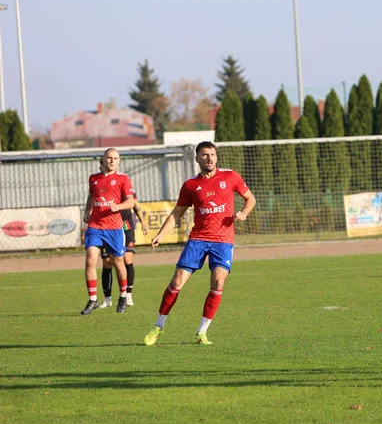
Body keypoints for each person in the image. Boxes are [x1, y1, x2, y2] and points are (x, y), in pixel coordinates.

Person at [143, 141, 255, 346]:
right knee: (176, 282)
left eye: (212, 154)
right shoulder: (190, 185)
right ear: (197, 159)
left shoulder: (230, 176)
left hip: (223, 241)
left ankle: (202, 332)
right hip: (198, 240)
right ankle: (158, 325)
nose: (210, 158)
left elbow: (250, 198)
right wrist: (161, 234)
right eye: (205, 155)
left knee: (218, 283)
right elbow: (177, 213)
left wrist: (244, 213)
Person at [81, 148, 136, 315]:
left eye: (116, 158)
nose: (112, 161)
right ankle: (92, 299)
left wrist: (117, 206)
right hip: (95, 227)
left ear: (118, 161)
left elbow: (131, 202)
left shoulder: (122, 179)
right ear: (103, 160)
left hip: (114, 228)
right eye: (109, 158)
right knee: (91, 261)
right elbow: (91, 196)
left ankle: (123, 296)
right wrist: (87, 211)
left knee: (117, 261)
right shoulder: (94, 179)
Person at [100, 199, 148, 308]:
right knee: (107, 261)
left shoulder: (125, 186)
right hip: (108, 227)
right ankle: (107, 299)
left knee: (127, 258)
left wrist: (143, 222)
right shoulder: (104, 188)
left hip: (125, 226)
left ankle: (128, 295)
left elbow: (134, 204)